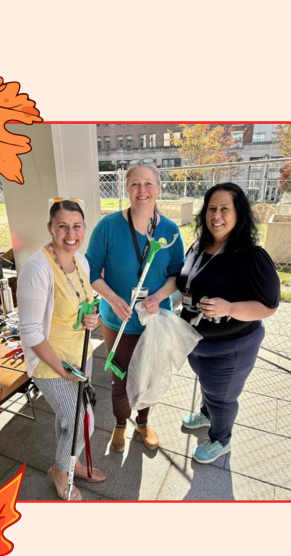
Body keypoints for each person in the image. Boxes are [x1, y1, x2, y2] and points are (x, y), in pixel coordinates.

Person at [177, 182, 281, 463]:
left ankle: (221, 439)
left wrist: (230, 307)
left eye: (225, 208)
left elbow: (268, 307)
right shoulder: (198, 247)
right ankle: (206, 413)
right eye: (212, 208)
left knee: (222, 396)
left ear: (239, 215)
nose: (216, 215)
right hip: (196, 342)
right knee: (208, 385)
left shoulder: (250, 256)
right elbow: (184, 285)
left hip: (230, 348)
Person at [87, 163, 185, 453]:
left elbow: (176, 275)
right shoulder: (108, 226)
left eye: (148, 184)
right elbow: (91, 271)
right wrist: (112, 298)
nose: (142, 191)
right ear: (126, 188)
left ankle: (143, 421)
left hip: (154, 320)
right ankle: (120, 423)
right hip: (119, 320)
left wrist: (159, 296)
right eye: (135, 184)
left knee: (149, 374)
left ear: (158, 188)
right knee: (121, 375)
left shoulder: (169, 230)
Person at [17, 198, 106, 501]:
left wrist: (92, 317)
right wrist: (62, 369)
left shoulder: (80, 260)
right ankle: (61, 471)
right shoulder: (37, 269)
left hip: (80, 354)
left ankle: (72, 460)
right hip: (51, 363)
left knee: (68, 418)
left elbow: (83, 303)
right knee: (83, 420)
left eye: (77, 226)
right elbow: (30, 331)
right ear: (50, 228)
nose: (71, 233)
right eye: (63, 226)